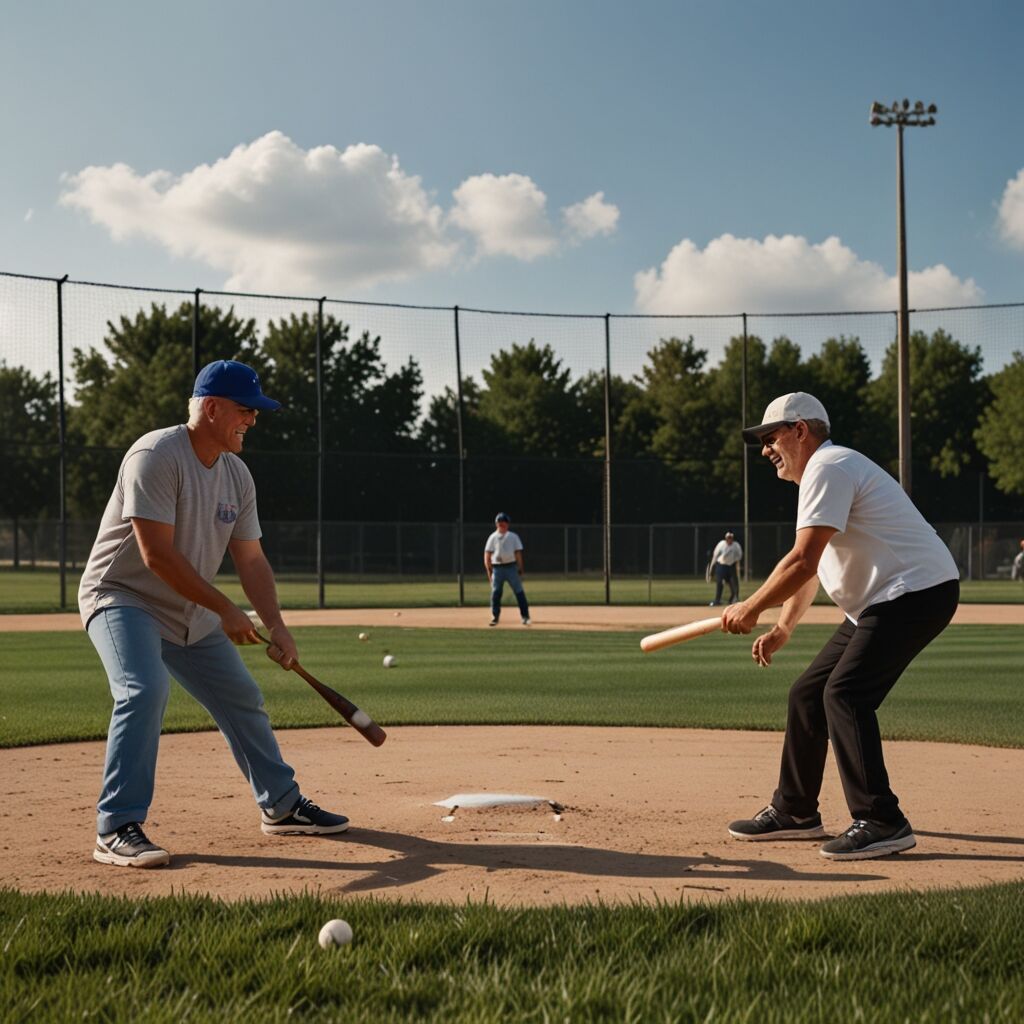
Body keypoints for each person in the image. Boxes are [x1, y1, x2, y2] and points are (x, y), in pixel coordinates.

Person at [78, 359, 349, 869]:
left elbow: (252, 560)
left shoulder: (236, 475)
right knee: (143, 689)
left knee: (242, 696)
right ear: (211, 408)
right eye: (246, 410)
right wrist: (225, 608)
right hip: (122, 597)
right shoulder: (156, 455)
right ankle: (115, 826)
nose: (253, 419)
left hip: (188, 609)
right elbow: (156, 555)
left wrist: (279, 626)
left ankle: (281, 805)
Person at [721, 392, 959, 861]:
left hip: (914, 592)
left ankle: (882, 819)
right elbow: (814, 567)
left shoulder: (828, 467)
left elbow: (801, 560)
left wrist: (751, 607)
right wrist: (785, 627)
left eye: (771, 438)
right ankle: (795, 811)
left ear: (800, 431)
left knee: (845, 694)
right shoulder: (823, 475)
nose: (766, 450)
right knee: (808, 694)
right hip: (884, 600)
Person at [483, 512, 531, 626]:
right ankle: (495, 616)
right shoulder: (493, 537)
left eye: (504, 522)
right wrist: (489, 569)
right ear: (496, 524)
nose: (501, 524)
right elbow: (487, 554)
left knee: (519, 592)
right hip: (497, 568)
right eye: (499, 522)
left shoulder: (513, 536)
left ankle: (525, 616)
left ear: (508, 524)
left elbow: (518, 553)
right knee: (496, 593)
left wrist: (520, 568)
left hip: (511, 567)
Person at [707, 530, 743, 605]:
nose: (729, 540)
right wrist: (712, 568)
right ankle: (717, 600)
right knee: (719, 582)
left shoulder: (736, 545)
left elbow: (740, 555)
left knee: (734, 583)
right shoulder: (721, 544)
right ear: (725, 538)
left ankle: (734, 599)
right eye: (728, 538)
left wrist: (735, 560)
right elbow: (715, 556)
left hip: (731, 566)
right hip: (721, 566)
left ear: (732, 538)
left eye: (731, 538)